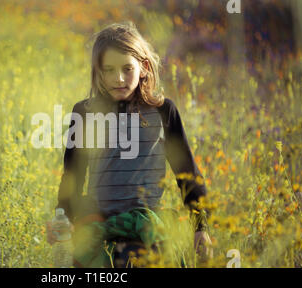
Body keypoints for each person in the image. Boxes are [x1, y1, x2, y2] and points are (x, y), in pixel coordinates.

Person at [46, 21, 213, 268]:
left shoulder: (163, 112)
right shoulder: (84, 112)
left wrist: (201, 227)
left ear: (144, 67)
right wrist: (63, 218)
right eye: (109, 69)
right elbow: (73, 175)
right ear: (98, 71)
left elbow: (187, 174)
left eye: (127, 68)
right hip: (96, 225)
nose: (119, 78)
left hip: (145, 227)